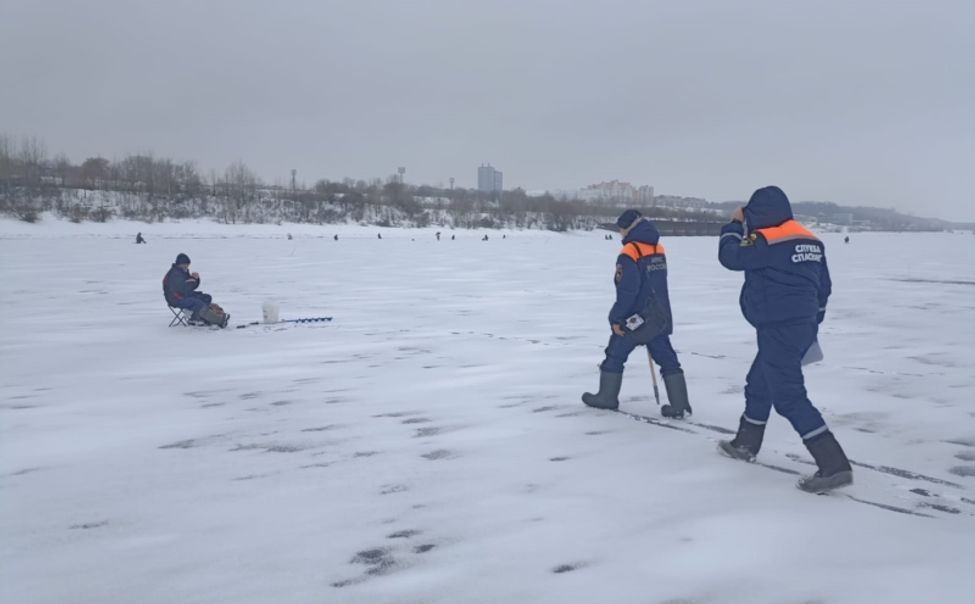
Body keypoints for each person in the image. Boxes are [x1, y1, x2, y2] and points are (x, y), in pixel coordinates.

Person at [716, 186, 851, 492]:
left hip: (778, 327)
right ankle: (745, 444)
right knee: (759, 383)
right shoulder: (810, 240)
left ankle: (834, 465)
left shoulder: (767, 239)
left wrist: (733, 226)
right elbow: (824, 287)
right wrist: (812, 321)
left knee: (789, 397)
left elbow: (730, 256)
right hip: (799, 325)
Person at [582, 210, 692, 418]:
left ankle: (606, 397)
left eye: (621, 229)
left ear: (627, 228)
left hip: (637, 319)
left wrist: (616, 318)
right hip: (659, 315)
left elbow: (627, 290)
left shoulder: (630, 252)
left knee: (615, 354)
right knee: (668, 359)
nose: (620, 234)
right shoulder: (657, 248)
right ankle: (680, 405)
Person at [162, 253, 229, 328]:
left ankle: (204, 317)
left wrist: (196, 279)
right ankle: (198, 319)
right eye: (185, 264)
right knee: (198, 303)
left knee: (206, 297)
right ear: (179, 264)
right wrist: (193, 279)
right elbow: (184, 289)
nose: (187, 266)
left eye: (187, 265)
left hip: (184, 295)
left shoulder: (182, 272)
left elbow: (190, 287)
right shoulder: (175, 274)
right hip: (175, 299)